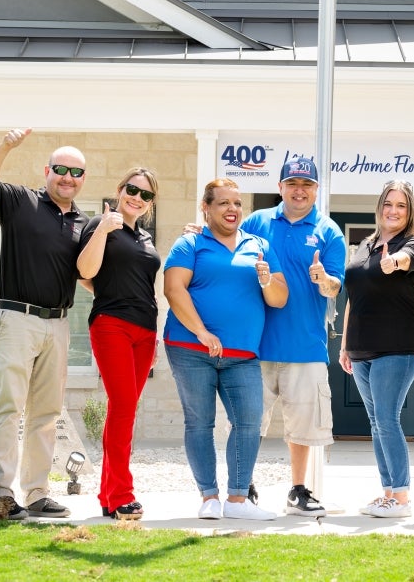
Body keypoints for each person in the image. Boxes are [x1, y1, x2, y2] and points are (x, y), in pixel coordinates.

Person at [0, 128, 89, 521]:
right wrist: (5, 146)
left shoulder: (82, 223)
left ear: (82, 179)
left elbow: (90, 274)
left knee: (46, 413)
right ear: (47, 170)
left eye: (75, 173)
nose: (67, 178)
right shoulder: (20, 201)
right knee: (8, 406)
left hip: (57, 324)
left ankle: (37, 492)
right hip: (16, 318)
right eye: (60, 169)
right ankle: (1, 493)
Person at [162, 178, 289, 521]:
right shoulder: (190, 243)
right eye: (223, 203)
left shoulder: (259, 245)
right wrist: (201, 331)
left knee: (248, 422)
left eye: (237, 203)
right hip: (190, 348)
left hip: (242, 355)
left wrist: (266, 279)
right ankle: (208, 498)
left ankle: (237, 500)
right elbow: (174, 290)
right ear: (206, 207)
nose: (232, 209)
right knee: (200, 423)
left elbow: (279, 298)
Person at [240, 157, 345, 518]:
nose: (299, 190)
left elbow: (335, 287)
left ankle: (298, 490)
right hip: (255, 343)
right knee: (248, 421)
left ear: (317, 189)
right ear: (281, 186)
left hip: (305, 345)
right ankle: (243, 485)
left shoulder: (329, 231)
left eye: (307, 184)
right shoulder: (257, 221)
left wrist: (323, 279)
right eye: (293, 183)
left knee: (302, 427)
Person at [339, 180, 414, 519]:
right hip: (361, 349)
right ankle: (388, 492)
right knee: (376, 422)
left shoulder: (413, 243)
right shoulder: (366, 244)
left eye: (401, 205)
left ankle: (402, 498)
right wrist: (345, 344)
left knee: (387, 419)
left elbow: (410, 259)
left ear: (410, 212)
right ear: (380, 207)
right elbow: (352, 297)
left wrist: (396, 262)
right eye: (388, 204)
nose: (393, 210)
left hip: (397, 347)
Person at [76, 168, 161, 521]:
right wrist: (103, 231)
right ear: (120, 189)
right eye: (132, 190)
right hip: (112, 326)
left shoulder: (145, 238)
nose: (136, 198)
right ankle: (122, 494)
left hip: (145, 332)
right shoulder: (101, 224)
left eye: (145, 195)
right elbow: (84, 271)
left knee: (124, 410)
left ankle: (108, 495)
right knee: (124, 405)